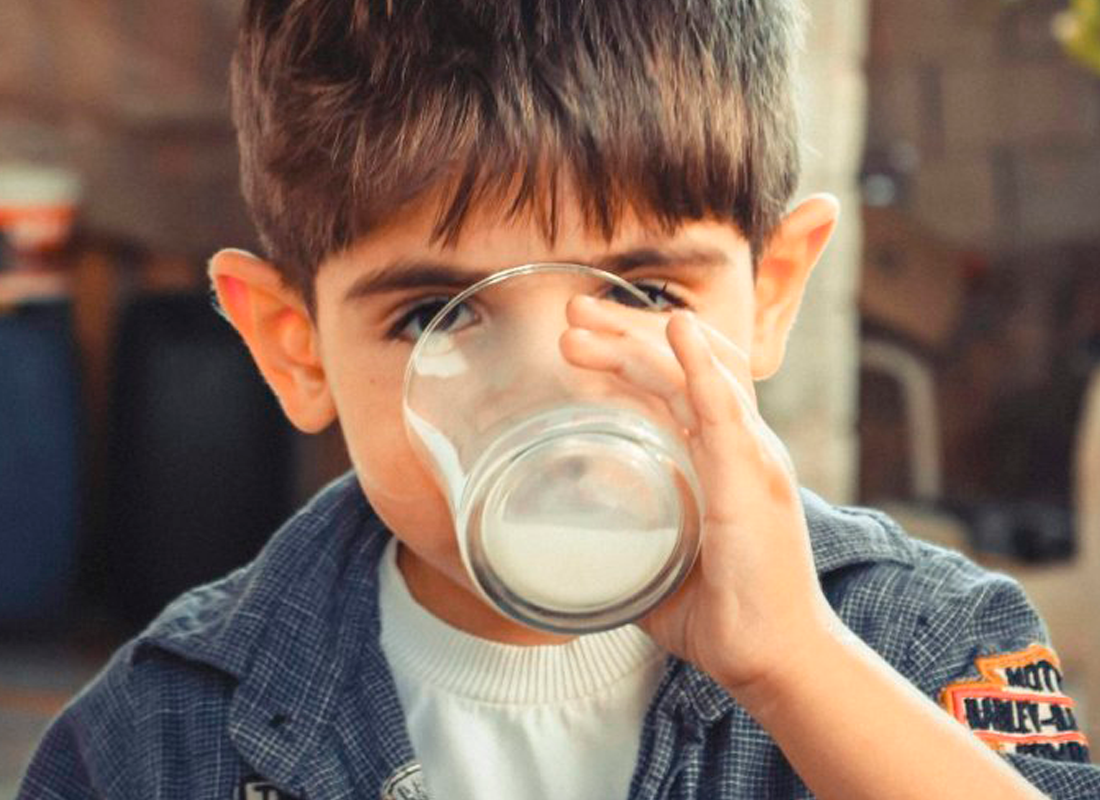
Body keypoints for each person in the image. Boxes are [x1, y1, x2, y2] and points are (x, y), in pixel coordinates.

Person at [18, 1, 1100, 798]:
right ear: (293, 348)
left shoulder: (922, 639)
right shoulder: (160, 733)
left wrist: (794, 664)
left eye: (637, 293)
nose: (551, 387)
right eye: (434, 312)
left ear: (768, 293)